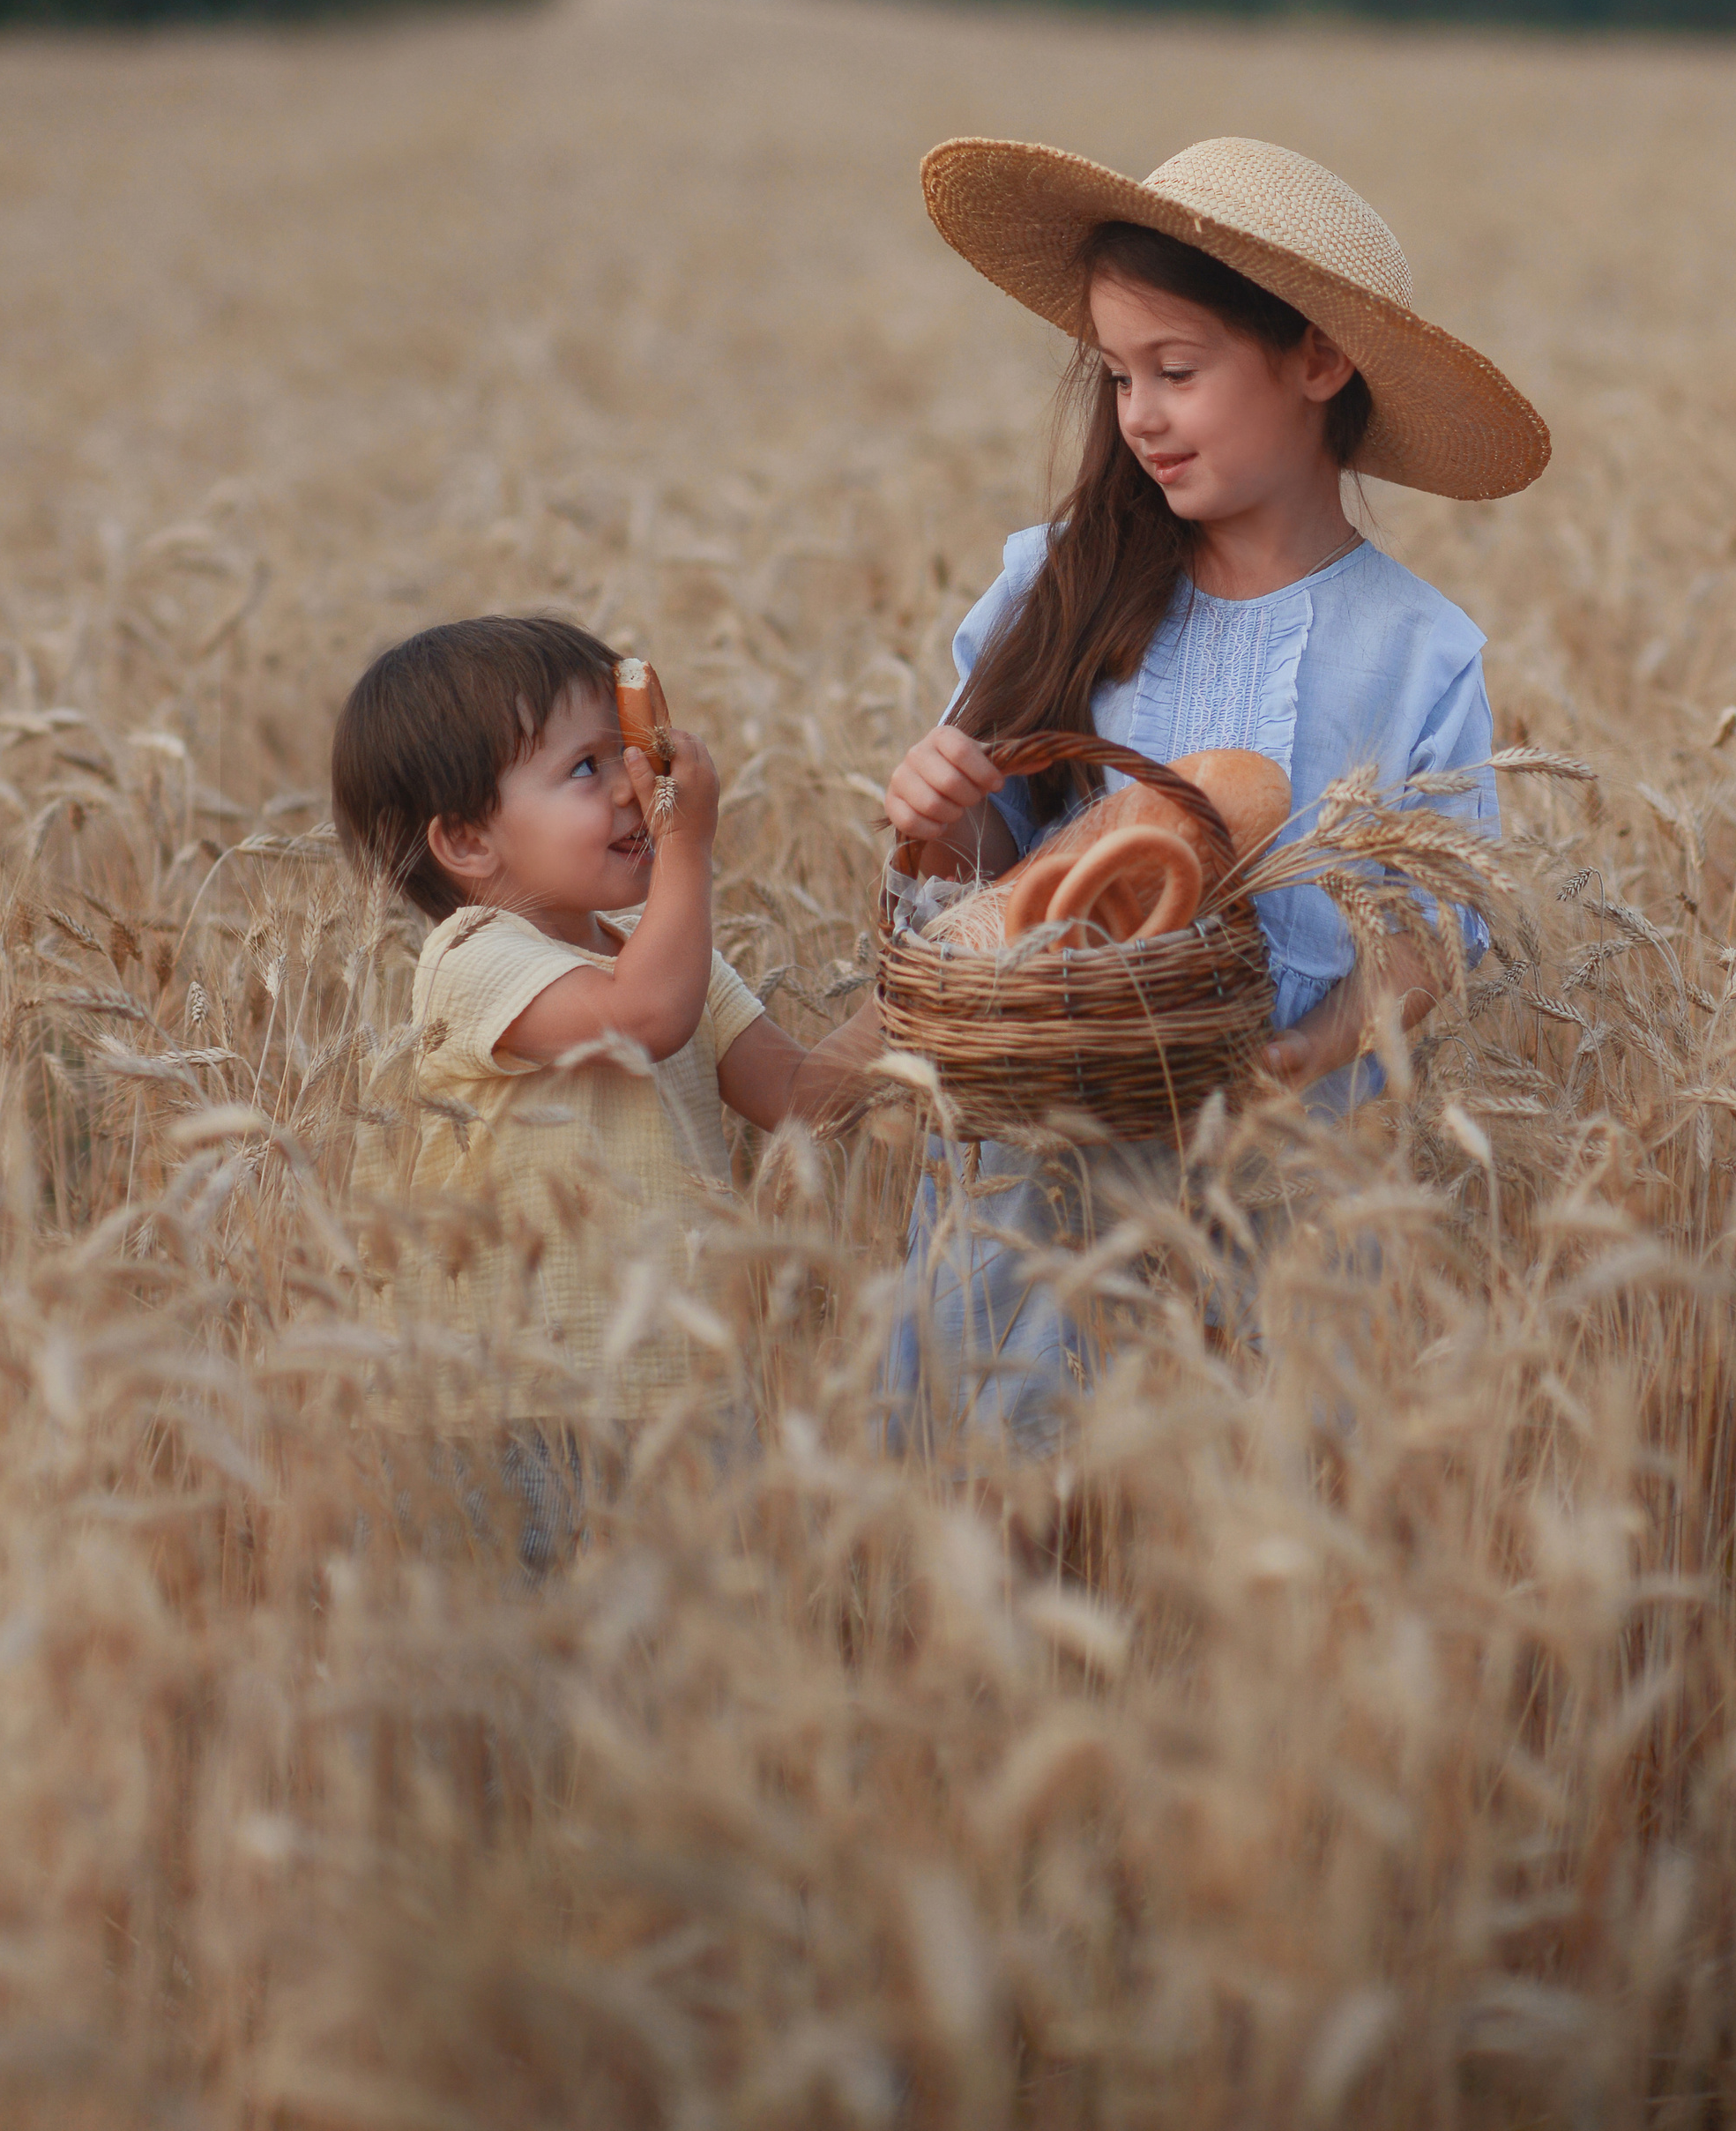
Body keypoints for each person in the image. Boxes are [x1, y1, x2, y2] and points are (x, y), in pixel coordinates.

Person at [883, 136, 1550, 1441]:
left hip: (1285, 1185)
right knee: (1013, 1489)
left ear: (1316, 360)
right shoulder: (1057, 581)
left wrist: (1300, 1053)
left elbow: (1430, 927)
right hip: (1043, 1173)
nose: (1139, 416)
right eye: (1120, 376)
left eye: (1177, 372)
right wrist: (940, 806)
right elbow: (986, 884)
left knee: (1243, 1544)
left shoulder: (1418, 651)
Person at [332, 614, 879, 1562]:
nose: (636, 784)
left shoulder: (664, 962)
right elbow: (641, 1021)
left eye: (628, 752)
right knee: (534, 1677)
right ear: (467, 841)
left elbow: (801, 1094)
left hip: (681, 1393)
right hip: (517, 1403)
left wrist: (936, 976)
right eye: (586, 768)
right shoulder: (470, 957)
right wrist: (691, 850)